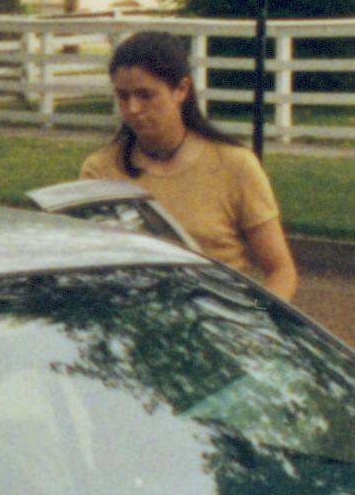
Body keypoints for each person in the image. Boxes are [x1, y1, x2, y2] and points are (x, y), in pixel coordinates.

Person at [80, 27, 299, 301]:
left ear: (181, 90)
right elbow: (87, 268)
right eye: (123, 96)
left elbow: (281, 270)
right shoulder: (100, 170)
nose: (133, 108)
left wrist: (257, 325)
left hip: (219, 321)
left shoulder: (235, 165)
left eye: (146, 95)